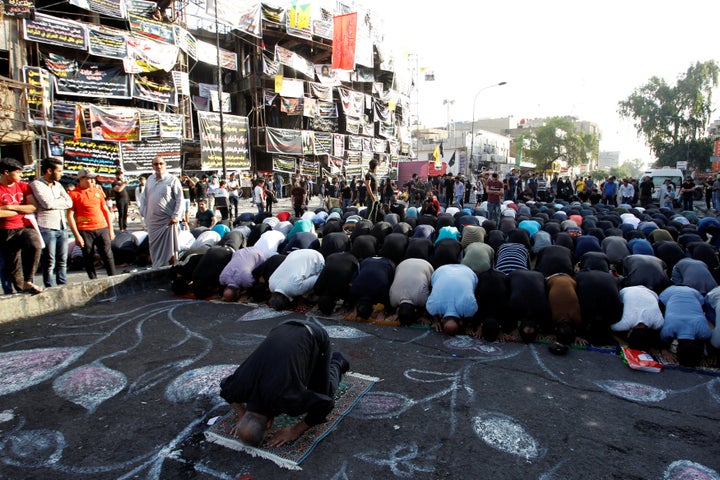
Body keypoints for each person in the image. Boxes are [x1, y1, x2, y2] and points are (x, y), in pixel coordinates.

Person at [219, 320, 349, 447]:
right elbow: (225, 388)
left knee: (326, 392)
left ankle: (337, 361)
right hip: (282, 327)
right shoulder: (238, 389)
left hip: (314, 335)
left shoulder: (288, 400)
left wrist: (295, 430)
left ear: (269, 424)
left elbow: (326, 404)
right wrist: (242, 415)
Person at [0, 157, 43, 294]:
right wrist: (19, 208)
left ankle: (28, 281)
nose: (21, 175)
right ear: (6, 172)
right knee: (12, 266)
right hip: (4, 231)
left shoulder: (24, 186)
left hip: (22, 227)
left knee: (35, 243)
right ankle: (18, 290)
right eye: (18, 173)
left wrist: (8, 207)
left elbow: (32, 207)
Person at [31, 158, 73, 288]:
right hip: (47, 226)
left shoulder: (58, 185)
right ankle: (49, 285)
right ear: (49, 171)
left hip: (62, 225)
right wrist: (59, 201)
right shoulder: (36, 184)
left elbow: (69, 202)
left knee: (62, 259)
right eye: (59, 171)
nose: (61, 173)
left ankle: (62, 284)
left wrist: (57, 202)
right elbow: (46, 203)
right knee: (50, 260)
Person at [67, 168, 116, 279]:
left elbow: (105, 211)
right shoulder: (73, 194)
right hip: (85, 230)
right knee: (88, 256)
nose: (92, 181)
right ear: (81, 179)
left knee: (107, 255)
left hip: (101, 228)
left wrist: (111, 229)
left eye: (93, 178)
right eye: (89, 178)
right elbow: (70, 215)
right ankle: (93, 280)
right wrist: (77, 235)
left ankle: (113, 279)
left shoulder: (98, 192)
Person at [137, 156, 183, 268]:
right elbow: (144, 198)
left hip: (168, 221)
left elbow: (180, 199)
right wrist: (143, 212)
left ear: (165, 165)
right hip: (153, 222)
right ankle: (157, 269)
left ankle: (171, 271)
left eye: (161, 163)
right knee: (154, 247)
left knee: (170, 249)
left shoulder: (172, 180)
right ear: (152, 166)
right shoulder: (150, 180)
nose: (158, 166)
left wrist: (176, 215)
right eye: (156, 164)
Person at [426, 263, 478, 335]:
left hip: (465, 272)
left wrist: (435, 321)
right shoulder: (434, 307)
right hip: (442, 270)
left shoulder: (469, 309)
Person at [389, 258, 434, 326]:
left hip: (426, 265)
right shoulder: (393, 300)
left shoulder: (422, 299)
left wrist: (423, 316)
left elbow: (426, 308)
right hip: (403, 264)